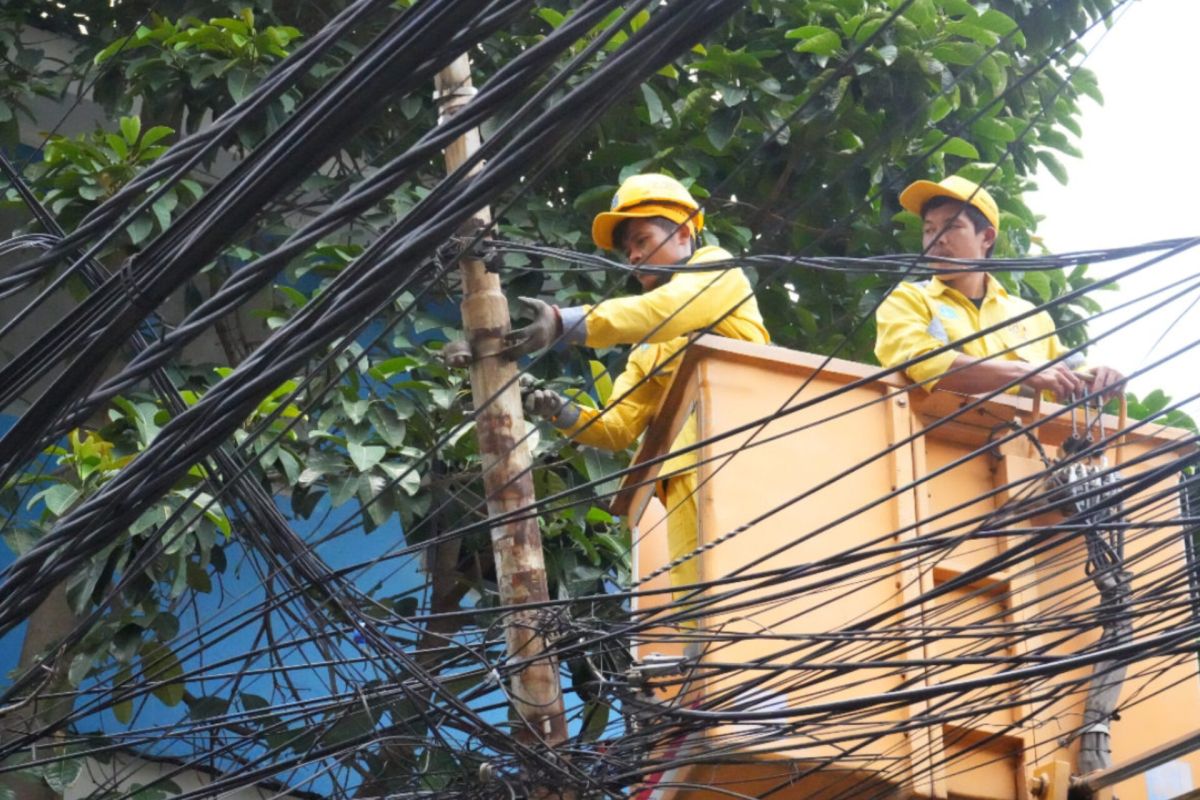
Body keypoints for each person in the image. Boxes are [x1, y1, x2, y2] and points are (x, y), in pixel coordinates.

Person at [515, 173, 770, 594]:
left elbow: (663, 310)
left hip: (746, 451)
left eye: (641, 239)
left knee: (748, 592)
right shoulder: (649, 352)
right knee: (700, 613)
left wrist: (565, 322)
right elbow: (617, 429)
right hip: (686, 473)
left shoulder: (718, 270)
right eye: (628, 249)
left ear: (685, 232)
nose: (632, 257)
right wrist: (559, 411)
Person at [874, 175, 1123, 400]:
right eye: (929, 229)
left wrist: (1099, 378)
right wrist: (1022, 372)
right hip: (935, 444)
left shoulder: (1030, 316)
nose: (937, 239)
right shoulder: (908, 299)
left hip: (1025, 447)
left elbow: (1073, 374)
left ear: (987, 237)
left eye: (951, 226)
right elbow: (922, 363)